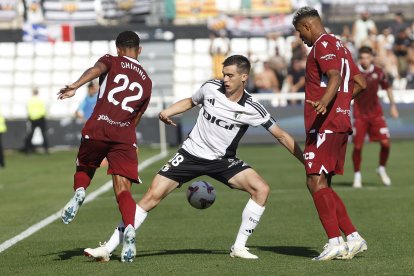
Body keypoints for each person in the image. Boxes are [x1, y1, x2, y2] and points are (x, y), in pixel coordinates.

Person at [83, 55, 304, 262]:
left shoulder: (253, 108)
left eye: (230, 75)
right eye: (224, 74)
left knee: (261, 189)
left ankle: (239, 247)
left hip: (223, 160)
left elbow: (282, 135)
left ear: (244, 77)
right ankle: (108, 249)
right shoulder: (210, 88)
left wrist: (306, 161)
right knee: (151, 196)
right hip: (190, 154)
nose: (225, 79)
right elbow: (190, 101)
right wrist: (168, 111)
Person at [58, 31, 152, 263]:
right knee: (123, 191)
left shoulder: (112, 59)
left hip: (99, 127)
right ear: (139, 50)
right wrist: (131, 140)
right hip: (124, 136)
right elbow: (137, 116)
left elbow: (95, 70)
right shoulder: (147, 81)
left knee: (84, 166)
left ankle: (80, 191)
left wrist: (75, 86)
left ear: (118, 48)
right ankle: (129, 227)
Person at [292, 7, 368, 261]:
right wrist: (342, 103)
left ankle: (335, 241)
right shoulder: (341, 45)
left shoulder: (322, 45)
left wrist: (326, 102)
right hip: (340, 121)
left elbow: (334, 76)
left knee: (314, 180)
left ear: (307, 27)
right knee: (322, 182)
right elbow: (360, 83)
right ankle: (354, 238)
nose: (300, 38)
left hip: (324, 124)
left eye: (299, 32)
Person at [352, 46, 399, 188]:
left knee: (386, 143)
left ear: (372, 58)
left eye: (367, 57)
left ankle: (381, 168)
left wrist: (393, 106)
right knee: (358, 147)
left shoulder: (378, 72)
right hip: (359, 114)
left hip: (376, 114)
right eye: (362, 57)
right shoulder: (355, 73)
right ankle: (357, 175)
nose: (364, 60)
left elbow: (388, 88)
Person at [22, 88, 49, 154]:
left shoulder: (30, 101)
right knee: (43, 134)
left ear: (33, 93)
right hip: (41, 118)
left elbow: (28, 109)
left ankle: (28, 150)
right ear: (38, 92)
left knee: (30, 134)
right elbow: (44, 109)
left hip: (32, 118)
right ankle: (46, 149)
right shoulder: (41, 100)